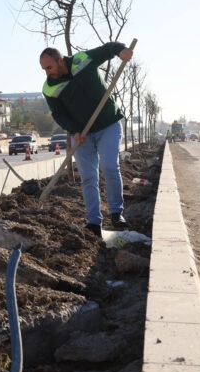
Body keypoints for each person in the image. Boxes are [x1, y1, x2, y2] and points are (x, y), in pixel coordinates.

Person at [39, 43, 134, 236]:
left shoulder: (83, 60)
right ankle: (93, 222)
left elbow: (107, 50)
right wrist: (74, 130)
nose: (47, 73)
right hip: (82, 135)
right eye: (44, 69)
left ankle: (116, 213)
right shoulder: (49, 88)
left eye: (49, 67)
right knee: (88, 177)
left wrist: (120, 50)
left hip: (108, 125)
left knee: (109, 166)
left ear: (61, 60)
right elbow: (59, 114)